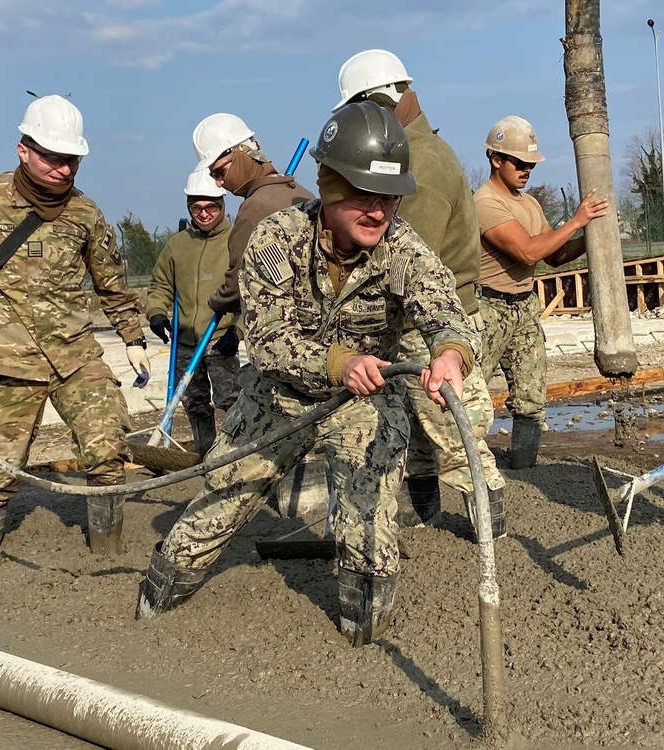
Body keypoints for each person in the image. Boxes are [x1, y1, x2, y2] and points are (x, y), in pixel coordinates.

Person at [137, 101, 478, 647]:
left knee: (369, 529)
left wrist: (451, 355)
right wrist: (340, 363)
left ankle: (363, 637)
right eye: (364, 195)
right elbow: (268, 342)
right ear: (331, 187)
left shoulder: (402, 249)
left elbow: (447, 313)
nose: (379, 211)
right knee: (219, 504)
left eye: (390, 197)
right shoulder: (277, 239)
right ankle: (153, 610)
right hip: (279, 400)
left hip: (363, 407)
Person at [0, 94, 150, 556]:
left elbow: (111, 283)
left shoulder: (85, 213)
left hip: (76, 357)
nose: (64, 169)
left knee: (107, 453)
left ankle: (108, 554)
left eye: (72, 160)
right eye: (53, 158)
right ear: (24, 149)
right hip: (9, 361)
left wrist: (132, 337)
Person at [332, 48, 507, 537]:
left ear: (379, 102)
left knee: (454, 429)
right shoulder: (417, 148)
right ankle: (425, 509)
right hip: (426, 322)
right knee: (423, 429)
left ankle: (492, 530)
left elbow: (411, 261)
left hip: (429, 325)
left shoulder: (419, 162)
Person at [474, 115, 608, 468]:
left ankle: (525, 467)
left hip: (524, 307)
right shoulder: (486, 203)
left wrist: (591, 233)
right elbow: (528, 252)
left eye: (530, 164)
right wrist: (576, 220)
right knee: (470, 396)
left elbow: (554, 256)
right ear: (496, 159)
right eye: (519, 162)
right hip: (489, 309)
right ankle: (461, 466)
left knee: (531, 397)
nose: (526, 170)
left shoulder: (529, 203)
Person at [146, 169, 241, 458]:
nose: (204, 213)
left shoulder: (236, 241)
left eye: (211, 206)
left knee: (231, 401)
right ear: (189, 207)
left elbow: (251, 293)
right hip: (185, 341)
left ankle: (238, 455)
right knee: (194, 403)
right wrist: (157, 313)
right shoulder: (177, 245)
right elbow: (161, 284)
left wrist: (237, 331)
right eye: (197, 207)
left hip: (219, 338)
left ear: (222, 206)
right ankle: (206, 457)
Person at [191, 112, 313, 315]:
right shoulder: (302, 193)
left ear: (241, 153)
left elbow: (237, 284)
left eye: (219, 172)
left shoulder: (254, 210)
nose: (218, 183)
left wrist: (216, 303)